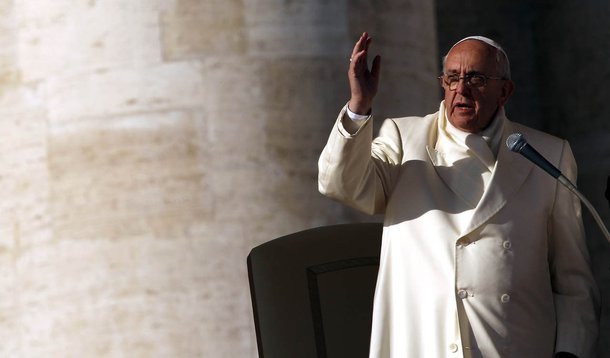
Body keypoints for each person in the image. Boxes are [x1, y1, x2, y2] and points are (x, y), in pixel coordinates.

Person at [318, 33, 599, 358]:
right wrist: (359, 106)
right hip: (425, 345)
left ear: (505, 91)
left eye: (476, 79)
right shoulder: (404, 138)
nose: (460, 89)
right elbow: (341, 184)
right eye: (452, 78)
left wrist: (570, 353)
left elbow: (573, 281)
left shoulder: (547, 154)